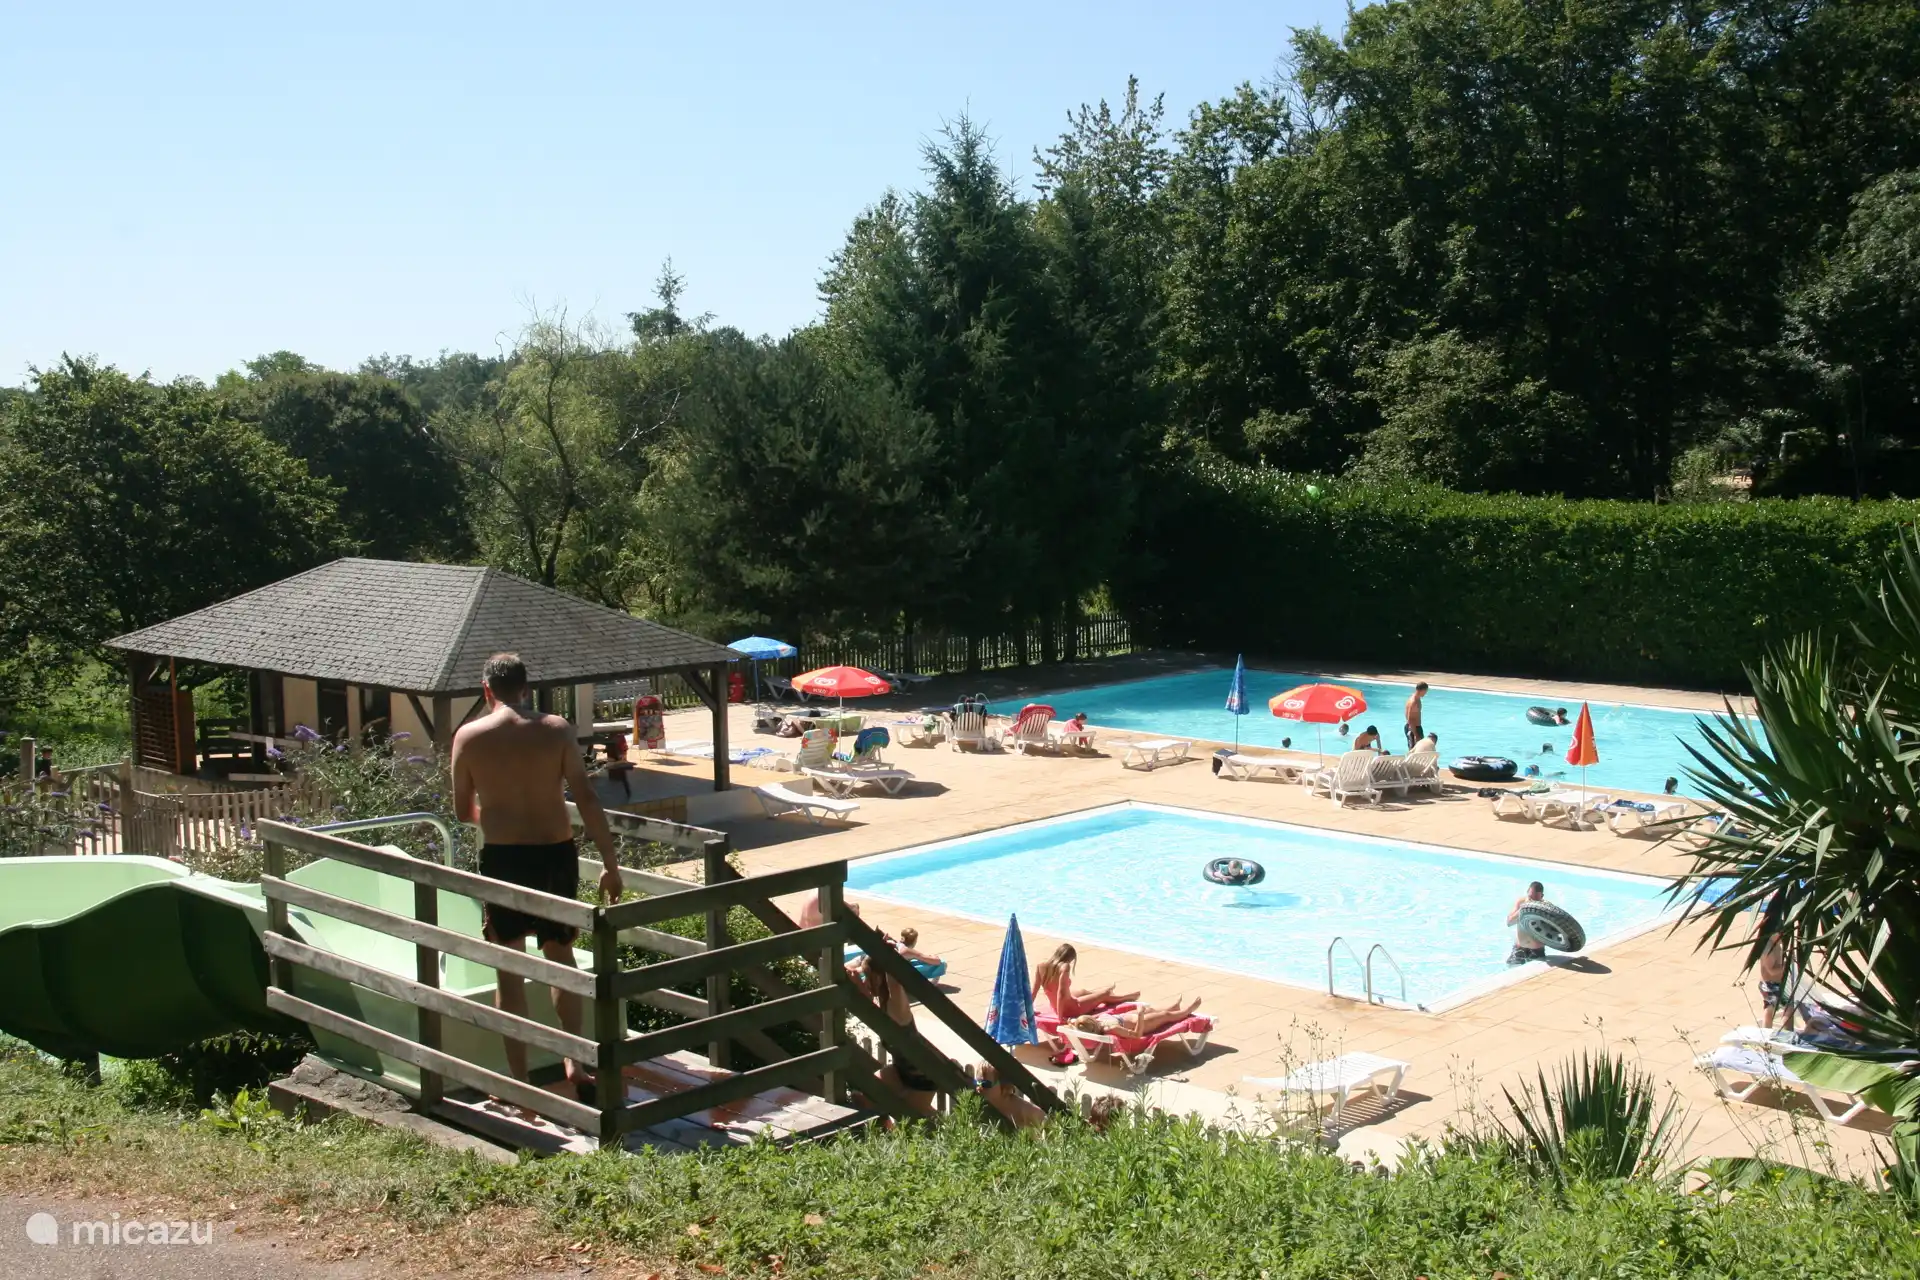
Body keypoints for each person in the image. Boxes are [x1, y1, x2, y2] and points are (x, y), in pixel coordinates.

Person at [452, 652, 623, 1109]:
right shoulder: (556, 729)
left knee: (509, 967)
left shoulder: (469, 737)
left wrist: (495, 816)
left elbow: (462, 810)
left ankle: (521, 1081)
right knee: (560, 956)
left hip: (504, 858)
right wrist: (610, 863)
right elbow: (586, 797)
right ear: (525, 689)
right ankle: (576, 1064)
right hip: (555, 854)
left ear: (486, 690)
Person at [1032, 943, 1137, 1018]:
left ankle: (1104, 996)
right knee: (1105, 994)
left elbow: (1034, 991)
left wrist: (1029, 1011)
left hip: (1057, 1006)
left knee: (1083, 991)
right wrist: (1060, 1017)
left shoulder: (1041, 966)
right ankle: (1126, 997)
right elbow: (1061, 993)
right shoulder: (1064, 967)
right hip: (1070, 1009)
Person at [1067, 997, 1203, 1039]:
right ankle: (1187, 1011)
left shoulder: (1088, 1026)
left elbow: (1075, 1023)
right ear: (1091, 1023)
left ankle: (1173, 1008)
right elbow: (1137, 1035)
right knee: (1164, 1016)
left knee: (1151, 1010)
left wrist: (1072, 1023)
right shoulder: (1111, 1028)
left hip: (1128, 1017)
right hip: (1141, 1023)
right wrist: (1140, 1015)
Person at [1506, 881, 1548, 965]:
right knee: (1512, 968)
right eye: (1530, 898)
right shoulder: (1520, 902)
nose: (1532, 902)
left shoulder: (1546, 907)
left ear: (1542, 896)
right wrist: (1524, 909)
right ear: (1527, 892)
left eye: (1535, 899)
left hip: (1537, 950)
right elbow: (1509, 922)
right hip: (1519, 948)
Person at [1758, 935, 1793, 1031]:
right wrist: (1787, 965)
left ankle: (1787, 1031)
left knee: (1787, 1007)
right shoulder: (1768, 950)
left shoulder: (1776, 945)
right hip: (1769, 984)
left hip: (1777, 983)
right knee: (1773, 1007)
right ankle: (1768, 1031)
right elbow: (1772, 971)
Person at [1404, 682, 1429, 750]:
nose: (1425, 693)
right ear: (1422, 690)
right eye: (1425, 691)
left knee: (1419, 749)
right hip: (1413, 728)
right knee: (1415, 750)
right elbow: (1410, 719)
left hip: (1414, 727)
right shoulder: (1414, 702)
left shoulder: (1415, 698)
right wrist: (1415, 734)